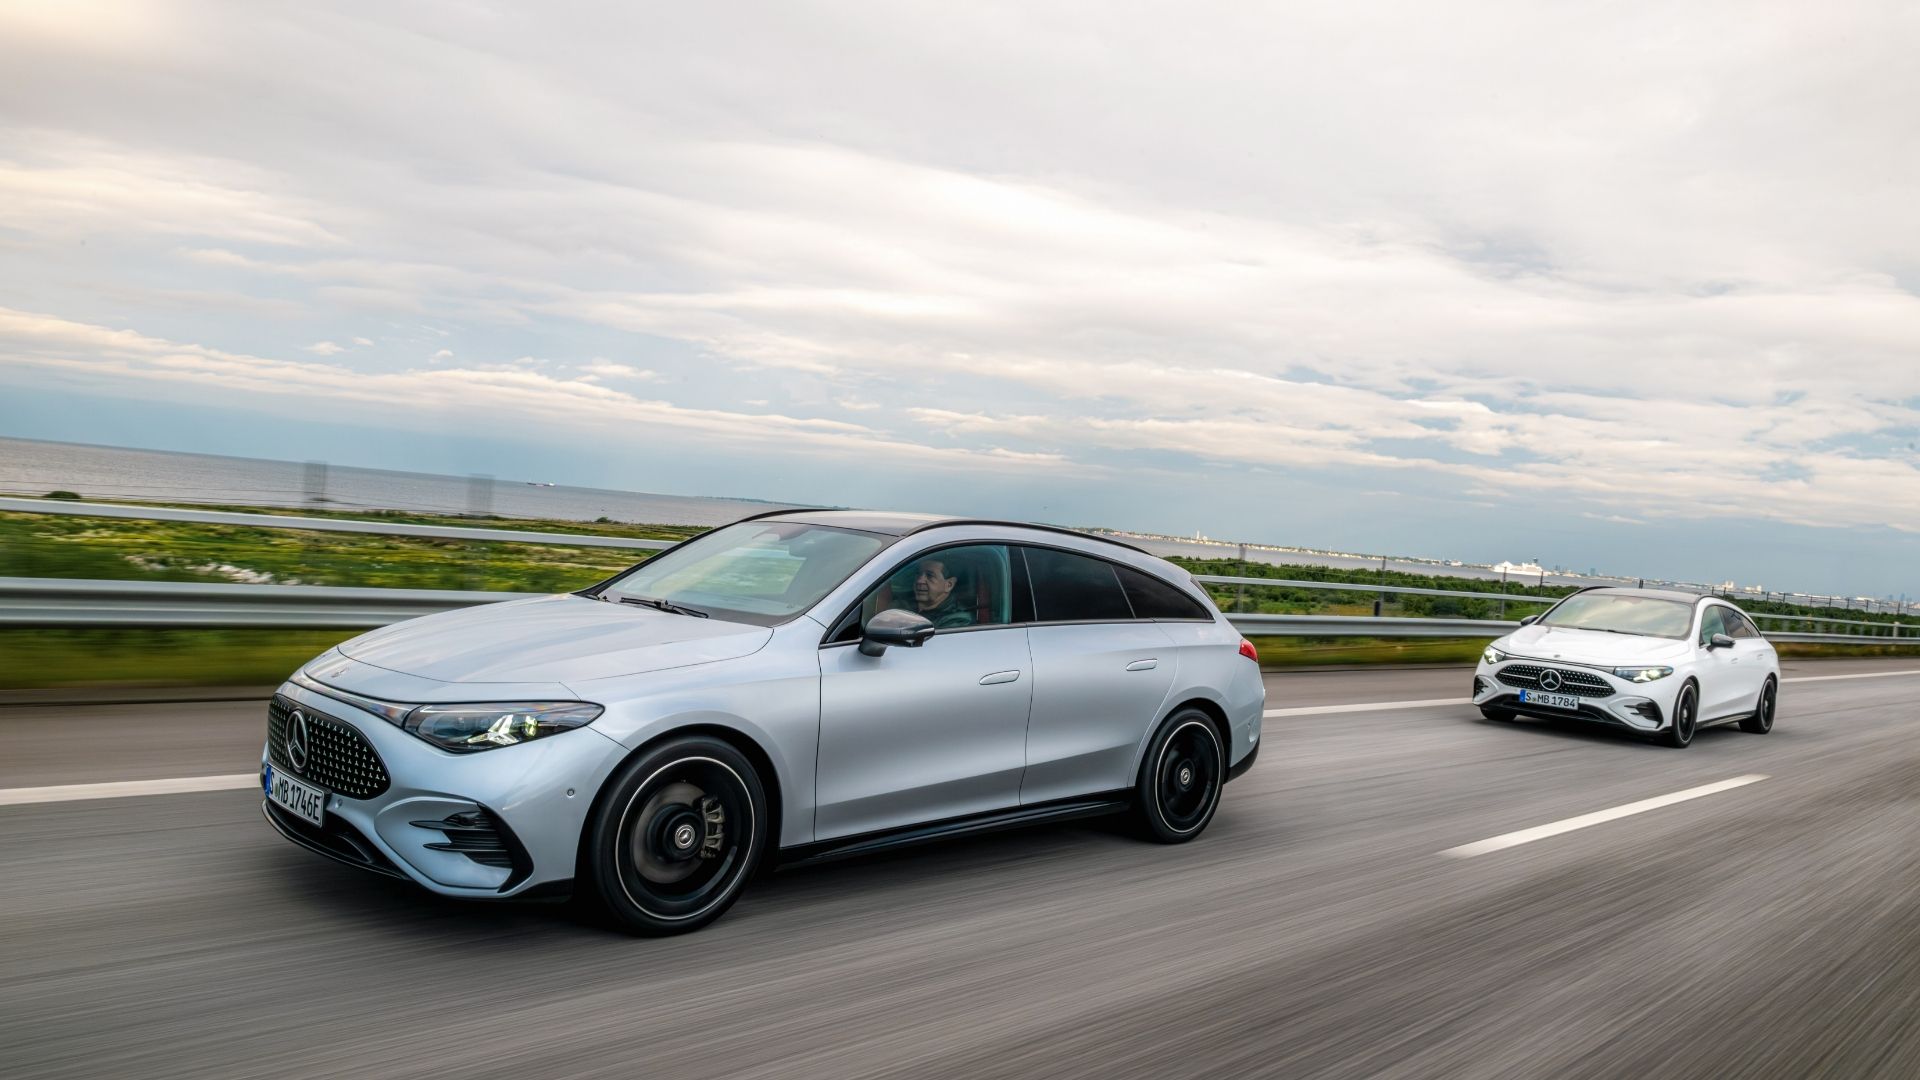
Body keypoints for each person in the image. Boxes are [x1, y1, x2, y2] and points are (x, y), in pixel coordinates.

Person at [901, 556, 975, 629]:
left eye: (929, 575)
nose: (919, 581)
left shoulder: (958, 619)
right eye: (918, 574)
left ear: (949, 585)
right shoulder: (903, 603)